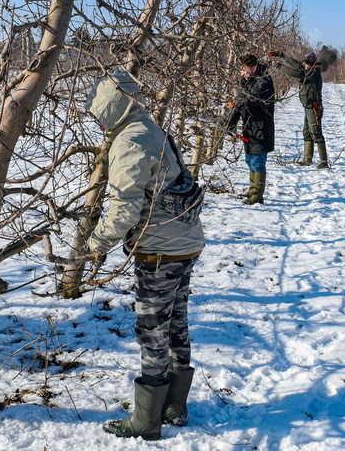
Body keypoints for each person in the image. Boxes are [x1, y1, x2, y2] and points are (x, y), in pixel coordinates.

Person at [84, 70, 205, 441]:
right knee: (176, 323)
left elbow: (124, 209)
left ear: (110, 106)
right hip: (185, 242)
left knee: (152, 330)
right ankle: (174, 406)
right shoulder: (150, 128)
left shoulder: (130, 141)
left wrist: (97, 242)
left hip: (160, 250)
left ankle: (147, 420)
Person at [224, 54, 275, 205]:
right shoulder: (250, 80)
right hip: (250, 126)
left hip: (261, 126)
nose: (244, 71)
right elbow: (241, 101)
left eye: (246, 68)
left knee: (257, 161)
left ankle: (256, 196)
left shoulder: (264, 80)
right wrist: (230, 125)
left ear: (253, 67)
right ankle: (253, 190)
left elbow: (250, 98)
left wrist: (245, 81)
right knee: (249, 160)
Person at [272, 47, 330, 168]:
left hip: (314, 108)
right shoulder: (308, 69)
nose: (304, 64)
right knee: (307, 133)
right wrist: (282, 55)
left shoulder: (313, 72)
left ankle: (323, 161)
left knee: (316, 132)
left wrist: (279, 66)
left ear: (311, 64)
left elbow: (298, 72)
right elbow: (296, 64)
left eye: (306, 63)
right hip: (308, 107)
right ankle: (307, 159)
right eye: (304, 62)